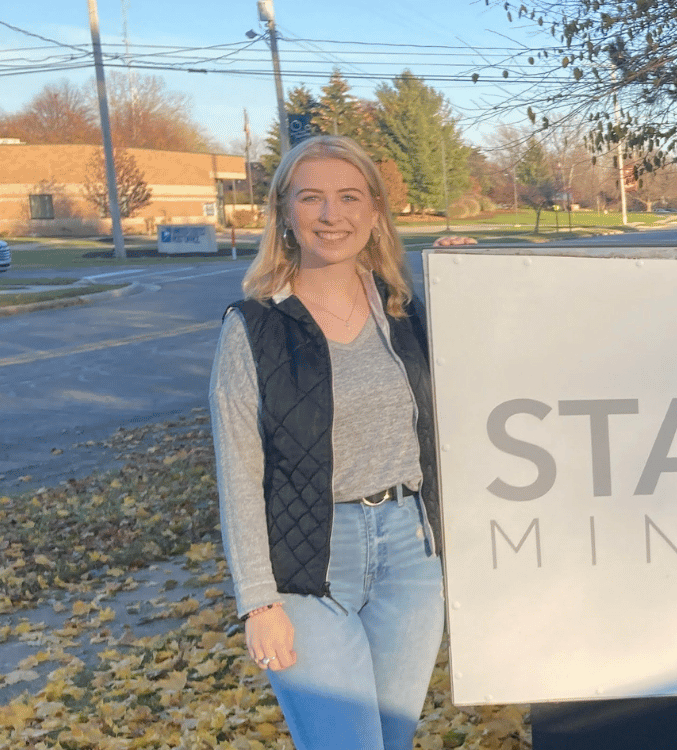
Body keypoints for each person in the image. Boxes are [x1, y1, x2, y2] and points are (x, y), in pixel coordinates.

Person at [209, 134, 445, 750]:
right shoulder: (254, 325)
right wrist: (258, 603)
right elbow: (238, 470)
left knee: (392, 743)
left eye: (348, 197)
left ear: (374, 212)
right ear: (285, 213)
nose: (331, 215)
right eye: (311, 198)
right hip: (308, 564)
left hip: (409, 554)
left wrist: (472, 279)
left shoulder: (406, 312)